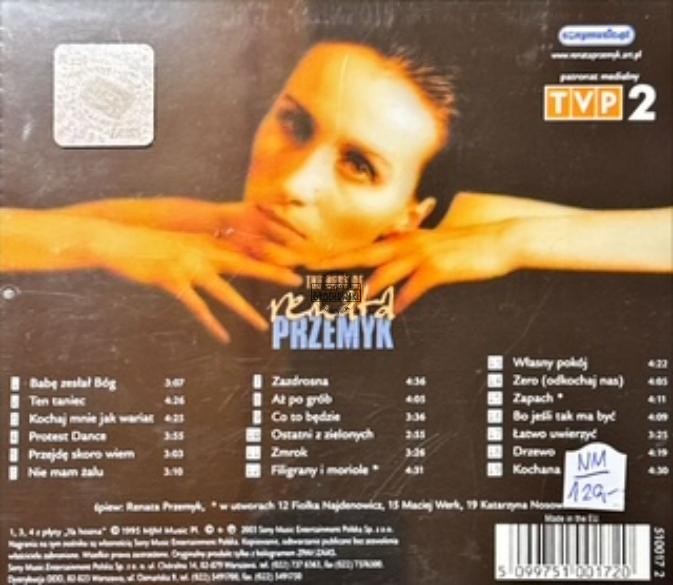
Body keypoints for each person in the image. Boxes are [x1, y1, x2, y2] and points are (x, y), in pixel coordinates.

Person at [1, 42, 671, 339]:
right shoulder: (203, 228)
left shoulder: (463, 231)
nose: (294, 183)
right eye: (294, 124)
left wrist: (511, 244)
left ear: (411, 212)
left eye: (358, 165)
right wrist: (103, 242)